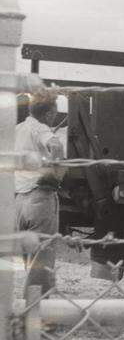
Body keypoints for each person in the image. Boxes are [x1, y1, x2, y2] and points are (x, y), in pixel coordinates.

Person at [14, 91, 64, 297]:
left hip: (19, 200)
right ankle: (37, 311)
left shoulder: (18, 129)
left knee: (29, 258)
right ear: (50, 113)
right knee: (42, 257)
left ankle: (30, 307)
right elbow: (56, 145)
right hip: (39, 197)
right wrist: (54, 175)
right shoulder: (40, 128)